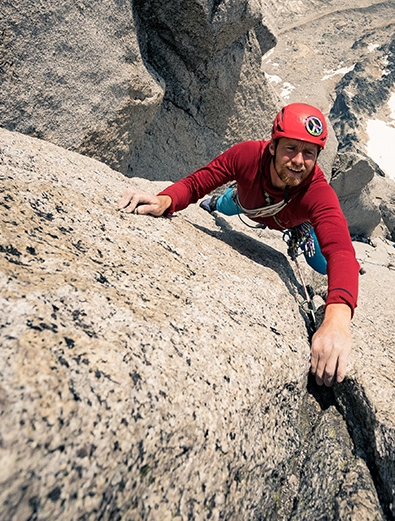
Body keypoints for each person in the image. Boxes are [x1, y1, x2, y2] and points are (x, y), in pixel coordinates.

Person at [119, 103, 359, 387]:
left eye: (309, 153)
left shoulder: (317, 191)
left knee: (320, 262)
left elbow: (341, 252)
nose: (298, 160)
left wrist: (337, 318)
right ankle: (215, 205)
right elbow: (200, 181)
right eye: (290, 148)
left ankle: (303, 240)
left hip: (294, 223)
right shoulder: (247, 156)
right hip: (246, 203)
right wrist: (166, 200)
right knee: (224, 203)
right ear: (272, 146)